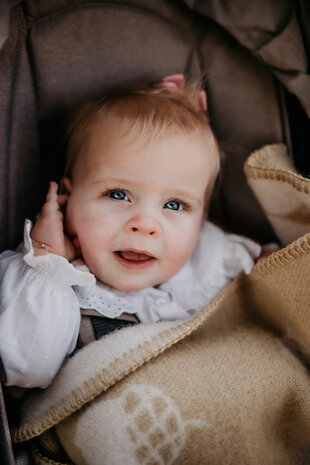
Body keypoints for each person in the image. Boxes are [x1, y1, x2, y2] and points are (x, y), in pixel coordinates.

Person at [0, 75, 261, 389]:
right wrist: (47, 258)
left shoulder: (211, 264)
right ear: (67, 202)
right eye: (118, 194)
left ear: (201, 219)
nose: (146, 225)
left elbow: (270, 294)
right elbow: (27, 369)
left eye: (175, 205)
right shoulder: (48, 284)